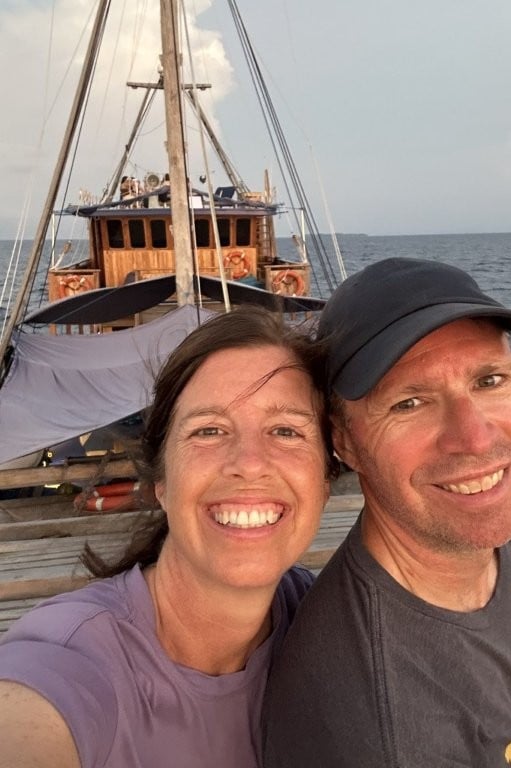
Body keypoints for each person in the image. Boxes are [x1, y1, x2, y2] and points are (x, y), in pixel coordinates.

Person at [262, 258, 511, 767]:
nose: (475, 438)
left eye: (490, 380)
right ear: (345, 443)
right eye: (409, 403)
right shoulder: (376, 728)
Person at [0, 306, 334, 768]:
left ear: (325, 479)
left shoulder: (328, 619)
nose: (249, 463)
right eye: (209, 430)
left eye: (285, 431)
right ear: (161, 482)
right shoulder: (73, 654)